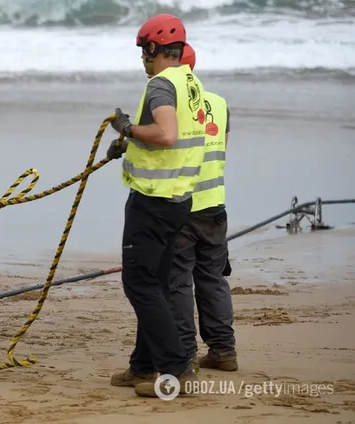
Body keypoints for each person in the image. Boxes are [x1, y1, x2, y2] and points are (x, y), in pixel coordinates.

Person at [105, 14, 207, 398]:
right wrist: (131, 141)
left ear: (153, 48)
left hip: (154, 201)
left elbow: (166, 133)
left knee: (140, 284)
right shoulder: (190, 81)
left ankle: (174, 369)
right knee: (157, 282)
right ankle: (143, 367)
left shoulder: (161, 85)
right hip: (178, 198)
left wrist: (128, 129)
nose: (142, 60)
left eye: (142, 51)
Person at [168, 44, 238, 371]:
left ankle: (183, 354)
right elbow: (221, 146)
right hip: (215, 207)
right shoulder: (220, 104)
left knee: (178, 282)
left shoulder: (169, 106)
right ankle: (224, 351)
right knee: (212, 280)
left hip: (181, 207)